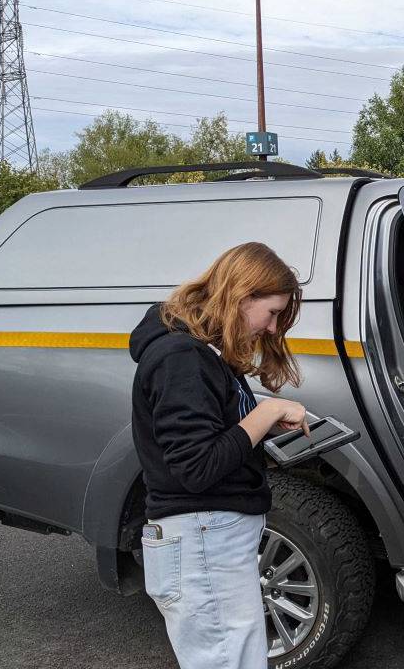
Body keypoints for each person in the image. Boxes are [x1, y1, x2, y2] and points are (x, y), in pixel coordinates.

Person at [129, 242, 309, 669]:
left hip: (205, 541)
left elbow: (207, 439)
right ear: (242, 296)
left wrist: (259, 421)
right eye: (272, 313)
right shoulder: (181, 357)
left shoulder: (197, 353)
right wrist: (264, 413)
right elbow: (197, 467)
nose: (272, 327)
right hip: (202, 541)